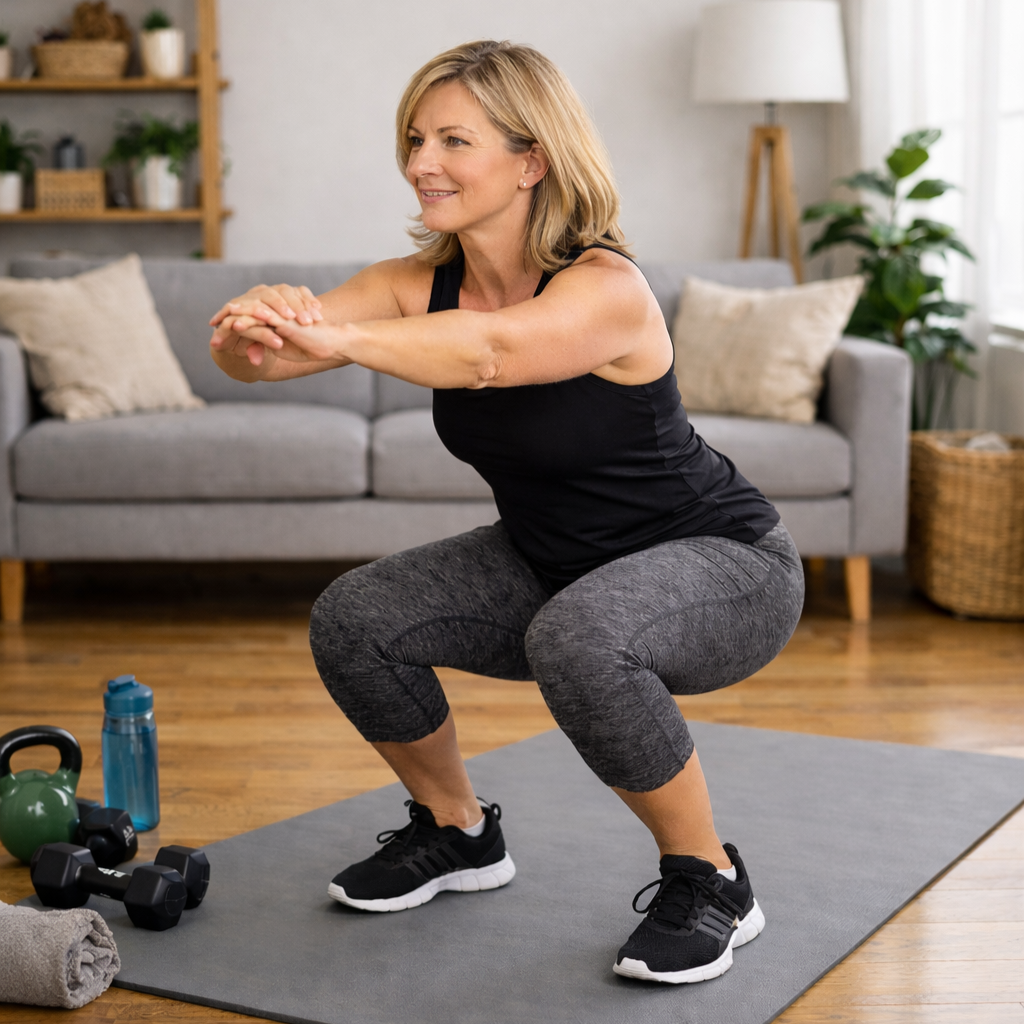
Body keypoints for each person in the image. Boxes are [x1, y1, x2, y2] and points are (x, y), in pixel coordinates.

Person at [209, 39, 804, 985]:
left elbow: (487, 351)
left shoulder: (607, 287)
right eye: (414, 138)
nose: (420, 163)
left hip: (723, 565)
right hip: (550, 560)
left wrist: (337, 333)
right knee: (356, 618)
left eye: (454, 139)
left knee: (579, 637)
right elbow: (268, 362)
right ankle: (458, 834)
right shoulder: (417, 283)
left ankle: (714, 878)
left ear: (532, 160)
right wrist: (253, 330)